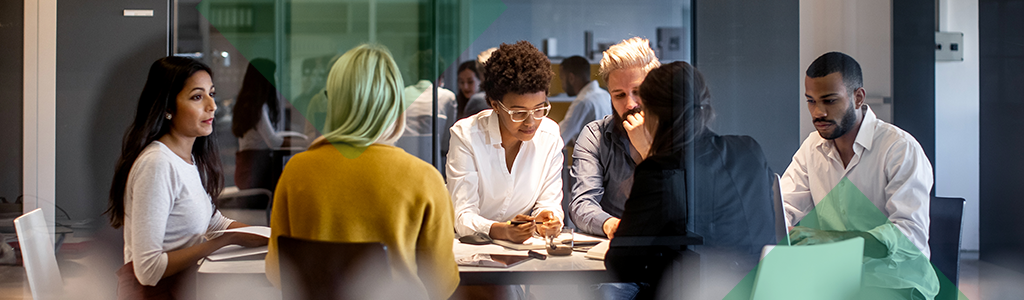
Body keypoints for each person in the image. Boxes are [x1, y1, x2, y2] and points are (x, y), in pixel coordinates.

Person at [265, 44, 459, 300]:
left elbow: (277, 272)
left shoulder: (296, 171)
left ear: (333, 101)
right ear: (394, 104)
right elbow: (442, 284)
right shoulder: (425, 179)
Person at [604, 61, 776, 300]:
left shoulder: (660, 171)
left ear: (651, 114)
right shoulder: (749, 149)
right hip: (758, 292)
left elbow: (620, 265)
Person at [106, 56, 267, 299]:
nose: (212, 105)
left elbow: (214, 223)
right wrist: (224, 241)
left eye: (211, 93)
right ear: (168, 108)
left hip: (185, 286)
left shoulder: (189, 159)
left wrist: (268, 236)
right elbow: (148, 270)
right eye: (197, 97)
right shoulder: (157, 164)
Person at [781, 52, 938, 300]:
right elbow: (781, 208)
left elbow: (910, 236)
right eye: (811, 101)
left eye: (830, 101)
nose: (818, 112)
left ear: (858, 97)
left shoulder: (899, 149)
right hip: (836, 282)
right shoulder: (812, 148)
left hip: (896, 284)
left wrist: (828, 240)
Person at [447, 40, 564, 244]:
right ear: (495, 105)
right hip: (471, 250)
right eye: (518, 112)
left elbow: (550, 203)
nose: (531, 122)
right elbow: (462, 216)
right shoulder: (466, 135)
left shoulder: (550, 134)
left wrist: (548, 219)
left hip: (526, 252)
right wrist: (504, 231)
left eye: (539, 109)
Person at [569, 37, 659, 240]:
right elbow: (581, 203)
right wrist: (611, 225)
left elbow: (685, 206)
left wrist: (646, 151)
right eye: (619, 95)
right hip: (614, 247)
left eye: (638, 92)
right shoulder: (595, 135)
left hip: (669, 246)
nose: (630, 104)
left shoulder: (676, 133)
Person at [231, 58, 307, 191]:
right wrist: (303, 143)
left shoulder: (249, 104)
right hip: (253, 175)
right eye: (274, 75)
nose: (276, 79)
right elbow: (273, 141)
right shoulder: (258, 108)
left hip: (248, 172)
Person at [558, 55, 612, 147]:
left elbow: (559, 138)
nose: (562, 85)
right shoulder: (605, 95)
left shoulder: (582, 102)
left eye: (562, 79)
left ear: (571, 78)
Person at [460, 47, 499, 119]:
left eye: (470, 81)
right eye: (461, 82)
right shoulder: (511, 98)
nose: (465, 87)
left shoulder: (478, 100)